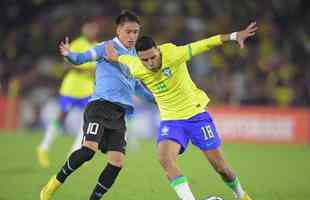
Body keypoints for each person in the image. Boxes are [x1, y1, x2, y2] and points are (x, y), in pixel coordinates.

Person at [105, 22, 258, 200]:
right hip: (171, 121)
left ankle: (241, 195)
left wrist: (233, 36)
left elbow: (205, 44)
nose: (150, 63)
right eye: (144, 60)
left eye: (152, 57)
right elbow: (123, 59)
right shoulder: (137, 65)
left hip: (196, 116)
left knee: (221, 168)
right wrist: (115, 57)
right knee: (164, 159)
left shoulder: (174, 54)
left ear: (158, 50)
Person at [40, 10, 153, 200]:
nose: (133, 36)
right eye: (128, 31)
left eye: (136, 32)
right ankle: (52, 185)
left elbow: (137, 87)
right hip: (100, 107)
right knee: (87, 151)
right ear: (118, 30)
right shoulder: (106, 47)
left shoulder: (135, 56)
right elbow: (81, 58)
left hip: (119, 115)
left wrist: (157, 97)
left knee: (116, 163)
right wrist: (69, 54)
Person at [37, 20, 100, 168]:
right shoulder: (77, 44)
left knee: (88, 120)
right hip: (71, 88)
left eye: (93, 29)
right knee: (61, 116)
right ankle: (44, 146)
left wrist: (89, 69)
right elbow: (67, 64)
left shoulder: (98, 47)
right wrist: (86, 70)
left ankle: (74, 153)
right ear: (84, 30)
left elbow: (97, 69)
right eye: (88, 29)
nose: (91, 32)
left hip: (88, 90)